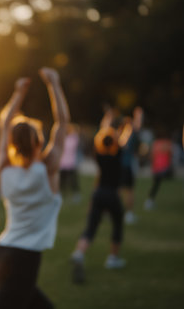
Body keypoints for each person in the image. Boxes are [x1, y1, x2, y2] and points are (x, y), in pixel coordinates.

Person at [0, 68, 70, 309]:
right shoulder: (47, 169)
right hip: (23, 260)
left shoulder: (3, 167)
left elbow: (5, 124)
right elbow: (63, 123)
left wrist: (18, 94)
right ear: (39, 141)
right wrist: (54, 84)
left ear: (13, 143)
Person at [70, 108, 133, 284]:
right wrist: (127, 127)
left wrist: (107, 119)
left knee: (91, 228)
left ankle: (79, 252)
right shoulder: (118, 154)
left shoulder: (99, 156)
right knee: (117, 225)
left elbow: (102, 132)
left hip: (98, 194)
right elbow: (124, 139)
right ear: (114, 142)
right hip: (112, 195)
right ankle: (113, 259)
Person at [120, 107, 143, 224]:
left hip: (121, 166)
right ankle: (128, 214)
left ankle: (111, 212)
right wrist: (138, 116)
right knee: (129, 191)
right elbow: (137, 127)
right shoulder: (130, 133)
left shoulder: (122, 136)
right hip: (127, 166)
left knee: (118, 190)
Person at [144, 129, 173, 210]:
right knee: (156, 185)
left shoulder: (155, 143)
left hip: (157, 167)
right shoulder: (167, 143)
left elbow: (151, 156)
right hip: (163, 167)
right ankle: (150, 201)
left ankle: (150, 200)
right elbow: (171, 154)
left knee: (156, 184)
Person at [59, 124, 81, 203]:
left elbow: (76, 135)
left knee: (73, 181)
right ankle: (60, 194)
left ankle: (76, 194)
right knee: (62, 181)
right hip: (63, 163)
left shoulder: (73, 138)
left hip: (71, 163)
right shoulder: (64, 138)